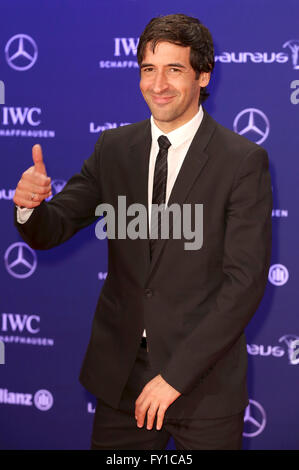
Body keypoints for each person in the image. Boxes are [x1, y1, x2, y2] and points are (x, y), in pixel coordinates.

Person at [13, 14, 272, 450]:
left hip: (204, 386)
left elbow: (243, 284)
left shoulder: (241, 161)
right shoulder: (113, 148)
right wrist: (28, 208)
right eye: (149, 70)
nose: (159, 85)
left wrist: (174, 377)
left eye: (175, 69)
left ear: (203, 75)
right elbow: (51, 229)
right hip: (122, 384)